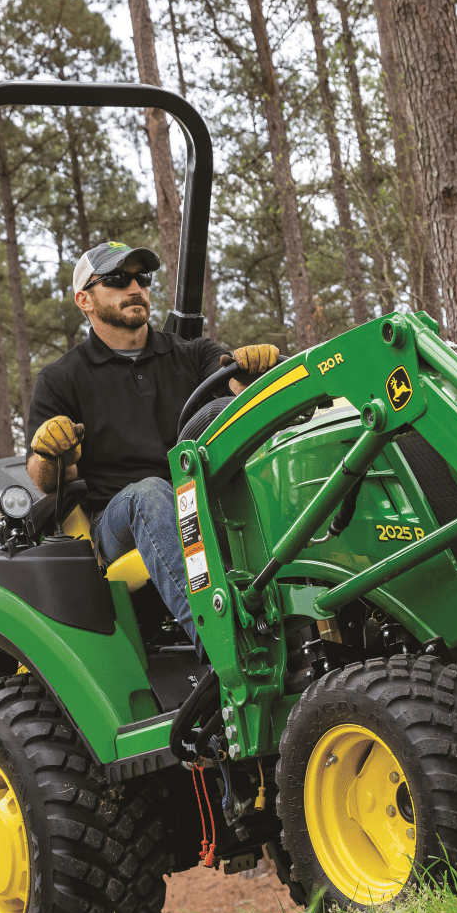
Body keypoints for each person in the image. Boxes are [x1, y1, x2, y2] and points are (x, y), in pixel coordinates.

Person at [25, 241, 279, 650]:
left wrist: (254, 371)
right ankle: (225, 645)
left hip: (204, 497)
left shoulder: (191, 354)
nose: (135, 287)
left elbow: (234, 384)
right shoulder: (61, 379)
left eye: (141, 278)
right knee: (151, 494)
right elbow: (43, 480)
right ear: (84, 300)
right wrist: (48, 450)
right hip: (118, 521)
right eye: (116, 279)